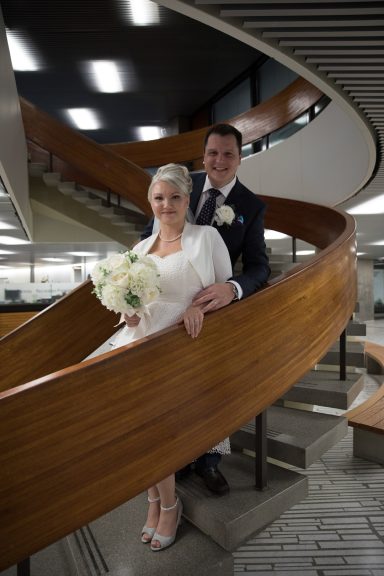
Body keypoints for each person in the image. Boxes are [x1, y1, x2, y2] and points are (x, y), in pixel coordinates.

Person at [141, 123, 270, 496]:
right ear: (203, 156)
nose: (220, 160)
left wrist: (232, 289)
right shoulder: (180, 184)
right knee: (172, 391)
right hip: (169, 308)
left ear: (240, 158)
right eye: (213, 153)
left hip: (213, 308)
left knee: (211, 389)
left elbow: (260, 266)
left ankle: (209, 462)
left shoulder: (251, 205)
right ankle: (176, 457)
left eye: (229, 153)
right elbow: (151, 234)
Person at [111, 163, 233, 551]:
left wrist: (202, 308)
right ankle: (156, 501)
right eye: (159, 197)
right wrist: (127, 311)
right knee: (139, 432)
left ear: (187, 200)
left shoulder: (207, 237)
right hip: (140, 345)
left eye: (175, 197)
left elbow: (225, 295)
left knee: (157, 435)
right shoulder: (139, 249)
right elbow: (134, 303)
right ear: (150, 201)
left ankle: (169, 505)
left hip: (183, 348)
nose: (167, 204)